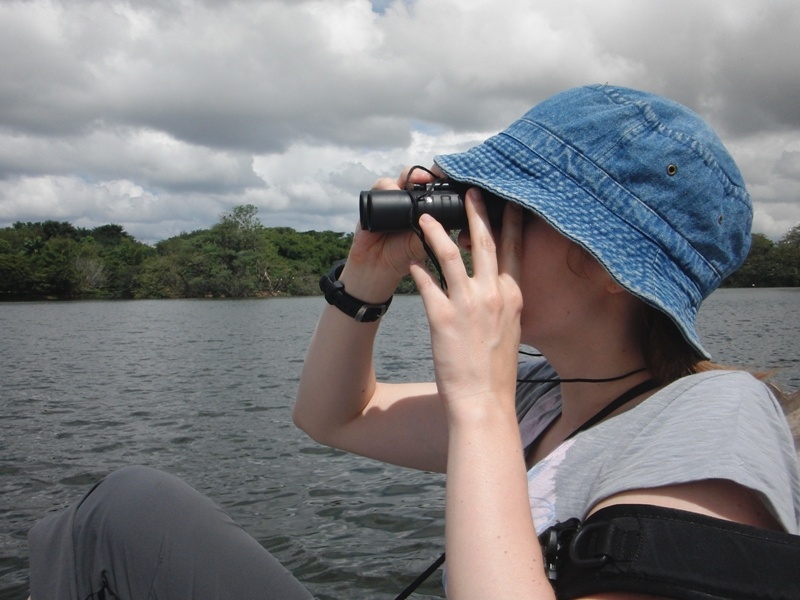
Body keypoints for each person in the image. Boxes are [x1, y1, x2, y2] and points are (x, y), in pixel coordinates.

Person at [27, 84, 800, 599]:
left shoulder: (716, 415)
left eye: (504, 208)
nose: (475, 225)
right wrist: (366, 279)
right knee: (125, 509)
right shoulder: (544, 397)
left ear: (609, 267)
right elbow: (333, 416)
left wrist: (480, 408)